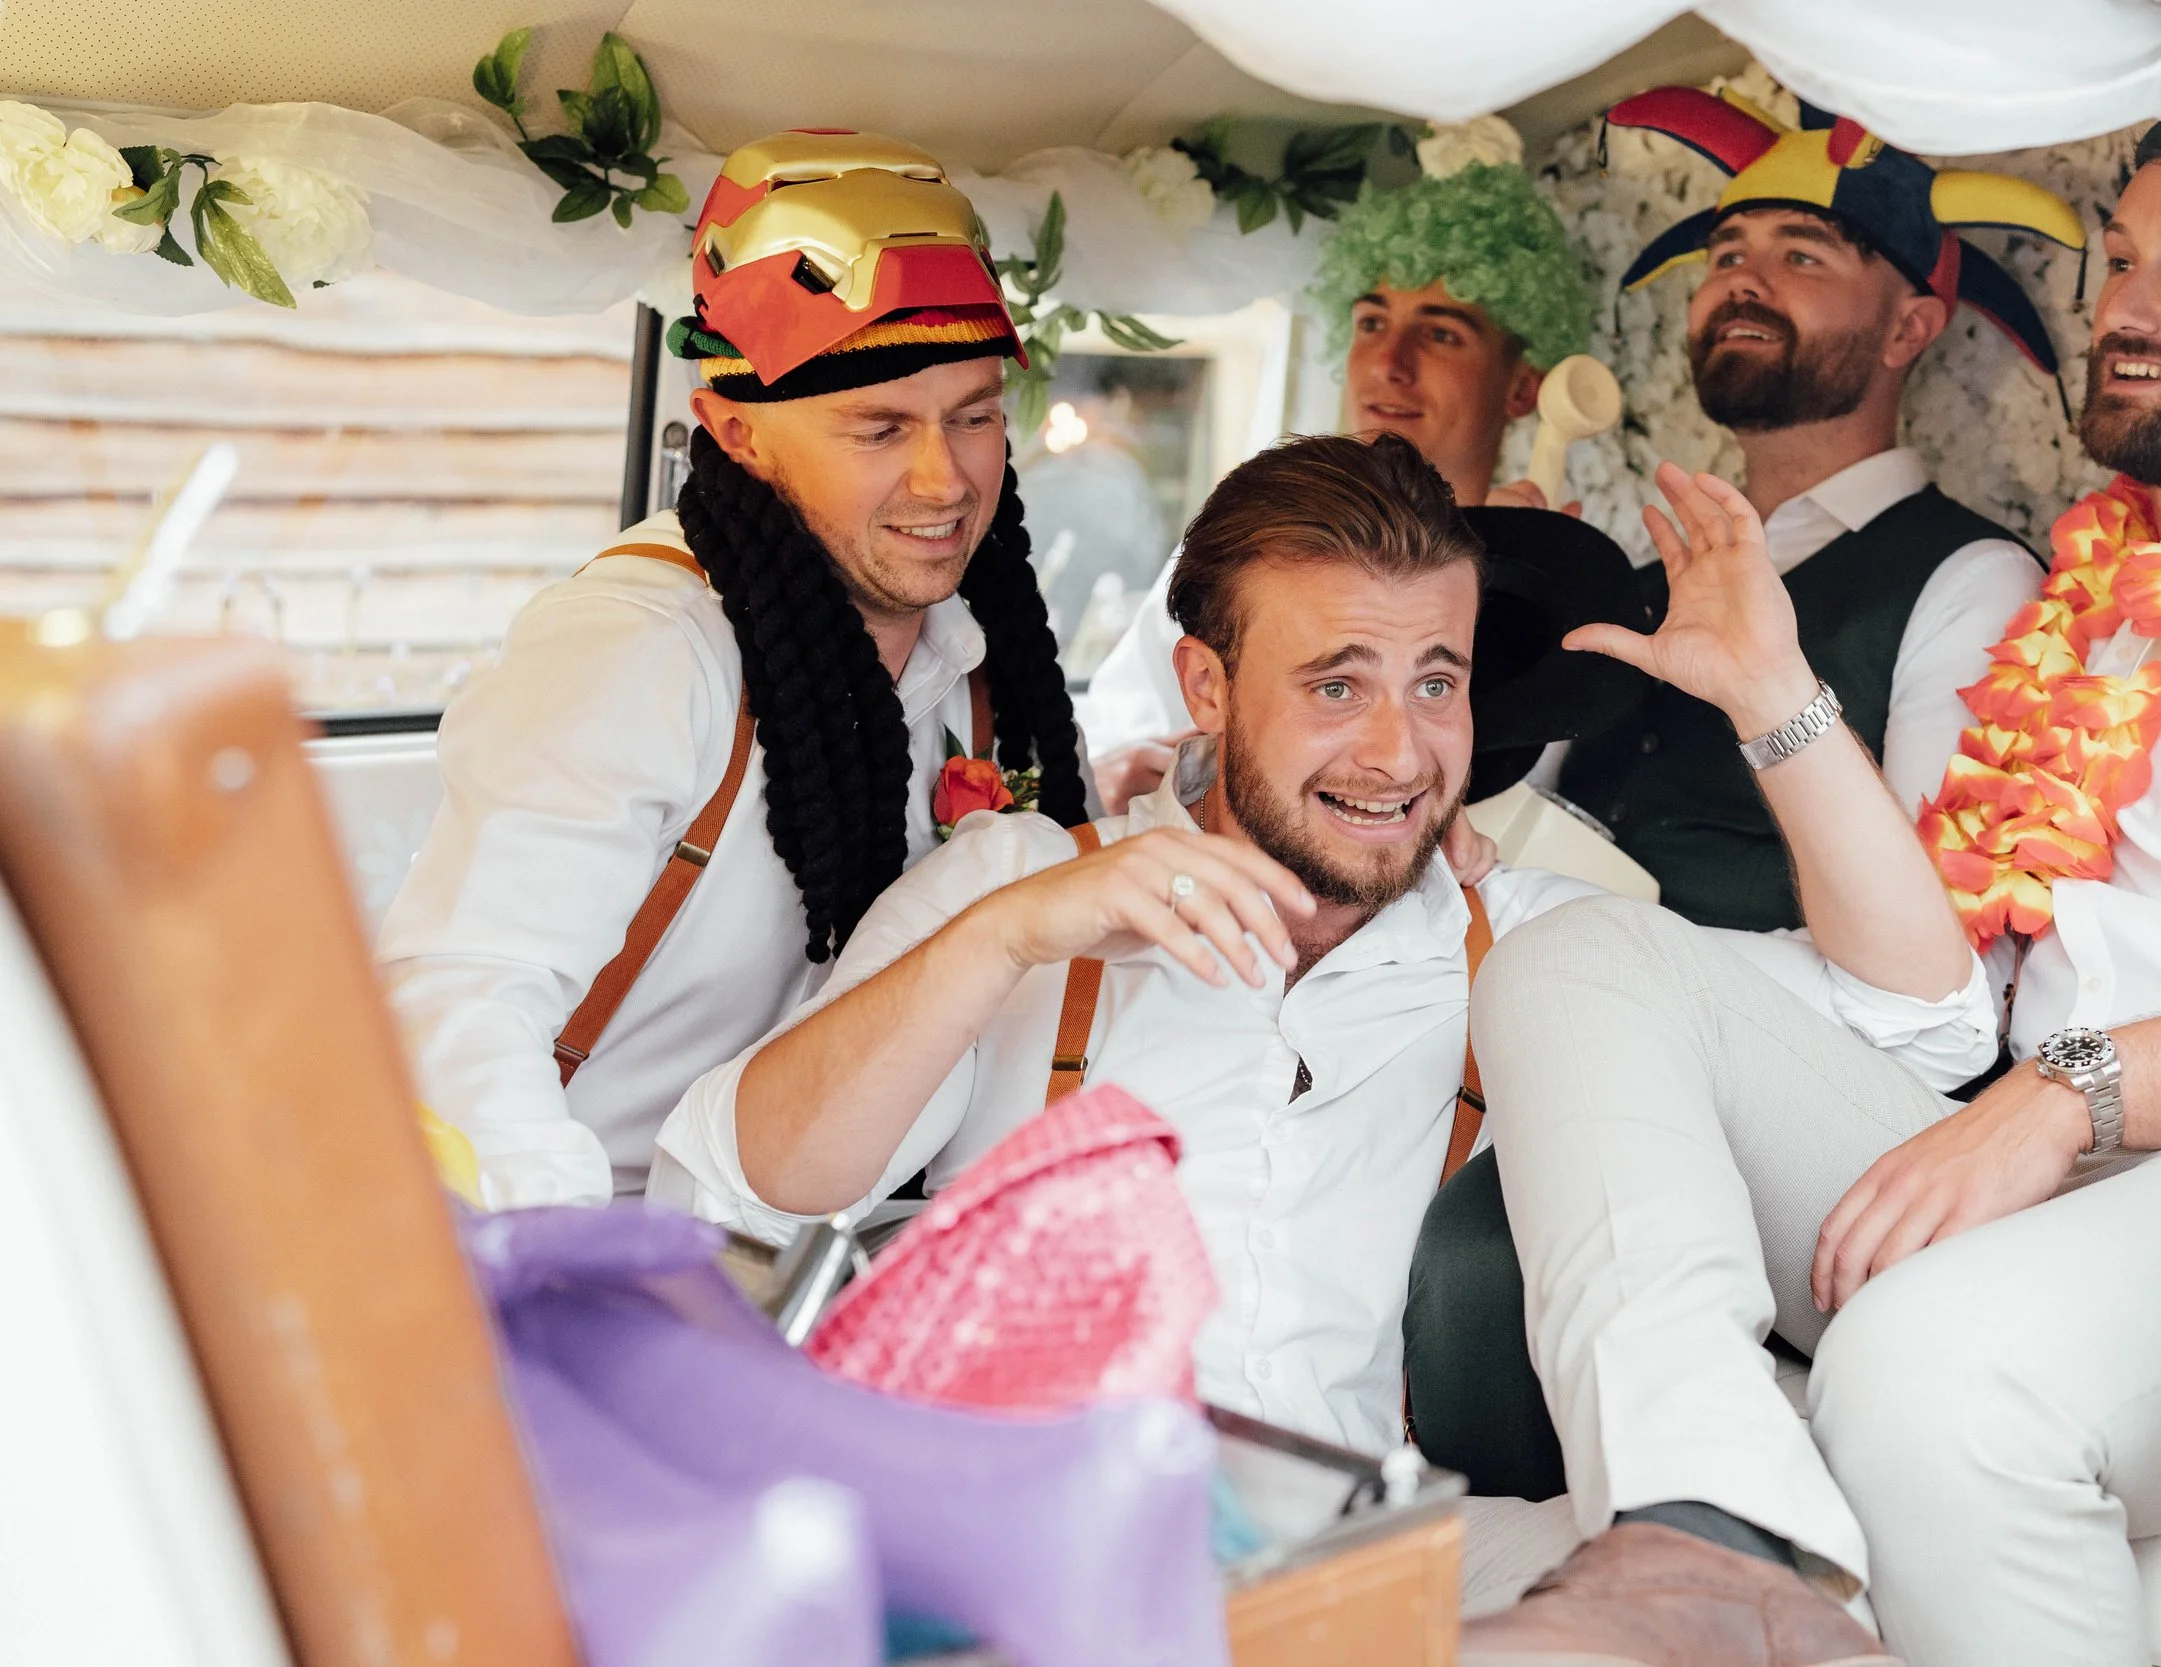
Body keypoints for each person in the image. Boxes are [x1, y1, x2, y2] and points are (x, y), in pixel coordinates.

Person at [650, 434, 1962, 1661]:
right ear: (1207, 685)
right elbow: (733, 1187)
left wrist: (1773, 696)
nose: (1398, 752)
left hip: (1377, 1557)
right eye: (1337, 682)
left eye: (1433, 681)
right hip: (1033, 1560)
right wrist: (999, 940)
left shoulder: (1547, 943)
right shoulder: (1019, 887)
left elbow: (1928, 1020)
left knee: (1788, 1607)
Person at [1453, 125, 2161, 1667]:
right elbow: (1934, 984)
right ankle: (1706, 1531)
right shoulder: (2119, 570)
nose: (2124, 305)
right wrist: (1773, 693)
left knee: (1925, 1368)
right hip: (2041, 1126)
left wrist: (2061, 1097)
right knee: (1585, 958)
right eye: (2118, 262)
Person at [377, 131, 1090, 1208]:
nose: (944, 478)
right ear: (737, 433)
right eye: (879, 427)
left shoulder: (991, 674)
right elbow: (460, 997)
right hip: (582, 1236)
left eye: (974, 417)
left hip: (824, 1250)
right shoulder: (641, 648)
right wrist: (581, 1276)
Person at [1558, 88, 2087, 931]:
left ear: (1908, 330)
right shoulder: (1643, 555)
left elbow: (1928, 945)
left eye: (1801, 257)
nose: (1742, 283)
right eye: (1725, 256)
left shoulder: (1973, 581)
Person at [1082, 115, 1597, 808]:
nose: (1390, 364)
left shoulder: (1555, 596)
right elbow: (1120, 739)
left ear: (1525, 385)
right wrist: (1127, 774)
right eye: (1371, 323)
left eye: (1441, 333)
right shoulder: (1241, 546)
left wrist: (1508, 592)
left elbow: (1528, 809)